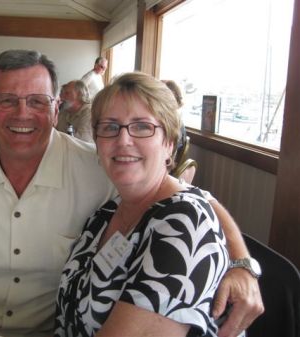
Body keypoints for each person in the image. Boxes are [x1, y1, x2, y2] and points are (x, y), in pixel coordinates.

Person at [0, 50, 263, 337]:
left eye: (37, 101)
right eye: (7, 101)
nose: (23, 114)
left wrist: (242, 263)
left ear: (55, 109)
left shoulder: (96, 166)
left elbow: (189, 201)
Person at [55, 72, 230, 336]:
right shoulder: (105, 213)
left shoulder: (186, 224)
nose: (123, 139)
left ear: (169, 143)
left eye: (142, 126)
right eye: (110, 127)